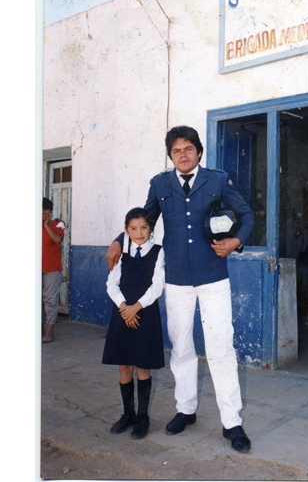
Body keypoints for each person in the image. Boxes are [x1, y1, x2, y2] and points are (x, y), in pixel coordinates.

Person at [106, 126, 255, 453]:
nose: (183, 154)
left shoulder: (217, 180)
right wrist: (119, 240)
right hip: (175, 279)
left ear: (199, 152)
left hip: (213, 276)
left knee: (220, 348)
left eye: (189, 148)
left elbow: (246, 216)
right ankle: (185, 410)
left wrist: (236, 241)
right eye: (176, 150)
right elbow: (143, 220)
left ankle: (232, 423)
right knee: (182, 347)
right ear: (170, 155)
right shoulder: (160, 184)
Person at [102, 207, 165, 440]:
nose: (139, 233)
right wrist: (123, 308)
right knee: (124, 366)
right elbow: (111, 284)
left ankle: (142, 417)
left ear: (151, 229)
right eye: (133, 229)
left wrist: (135, 308)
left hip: (144, 314)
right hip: (122, 314)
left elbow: (157, 286)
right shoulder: (123, 253)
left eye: (144, 228)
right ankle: (127, 414)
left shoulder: (159, 252)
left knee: (142, 366)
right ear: (126, 231)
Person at [42, 197, 65, 343]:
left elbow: (57, 240)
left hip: (52, 268)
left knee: (50, 299)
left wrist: (46, 226)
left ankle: (50, 331)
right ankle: (40, 329)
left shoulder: (57, 225)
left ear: (50, 211)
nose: (43, 212)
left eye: (46, 209)